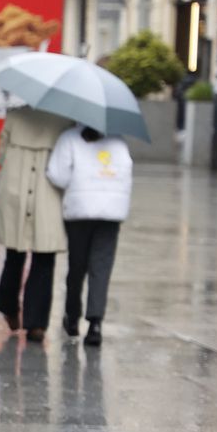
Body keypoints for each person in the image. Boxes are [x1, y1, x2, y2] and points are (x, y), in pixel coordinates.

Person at [0, 106, 74, 342]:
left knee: (13, 254)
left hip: (13, 190)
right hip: (50, 195)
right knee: (44, 260)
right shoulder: (66, 119)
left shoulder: (15, 115)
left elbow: (1, 156)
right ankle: (36, 324)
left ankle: (8, 304)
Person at [46, 124, 133, 347]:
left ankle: (72, 317)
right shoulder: (118, 140)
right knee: (101, 268)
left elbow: (58, 176)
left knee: (77, 266)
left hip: (79, 210)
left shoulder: (69, 138)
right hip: (111, 212)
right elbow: (126, 172)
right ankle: (95, 324)